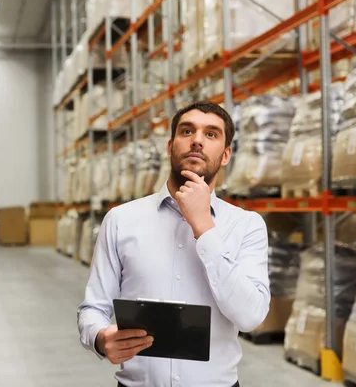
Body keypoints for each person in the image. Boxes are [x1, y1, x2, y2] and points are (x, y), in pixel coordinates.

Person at [77, 101, 270, 387]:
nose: (197, 140)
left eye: (211, 134)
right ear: (170, 147)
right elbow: (93, 308)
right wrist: (100, 338)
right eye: (187, 131)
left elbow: (251, 316)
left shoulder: (247, 226)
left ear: (226, 154)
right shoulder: (120, 220)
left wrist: (204, 225)